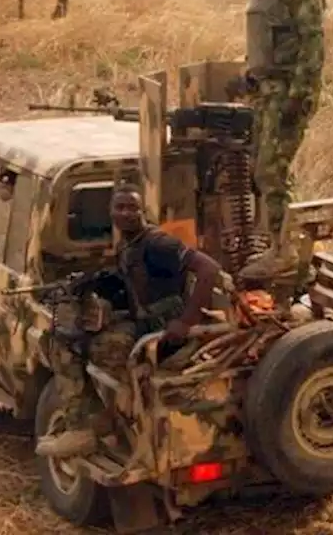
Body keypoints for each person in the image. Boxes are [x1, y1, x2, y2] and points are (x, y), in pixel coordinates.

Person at [35, 183, 222, 459]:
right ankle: (96, 419)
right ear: (110, 212)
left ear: (142, 210)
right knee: (61, 336)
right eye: (120, 207)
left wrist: (186, 322)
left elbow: (209, 268)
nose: (126, 213)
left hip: (160, 329)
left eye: (132, 207)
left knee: (70, 349)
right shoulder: (127, 242)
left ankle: (86, 427)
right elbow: (135, 280)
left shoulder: (158, 243)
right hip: (143, 321)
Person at [234, 0, 326, 278]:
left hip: (288, 91)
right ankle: (284, 241)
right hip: (265, 91)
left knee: (271, 171)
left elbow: (312, 46)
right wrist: (247, 78)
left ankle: (284, 253)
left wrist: (299, 96)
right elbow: (266, 42)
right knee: (264, 171)